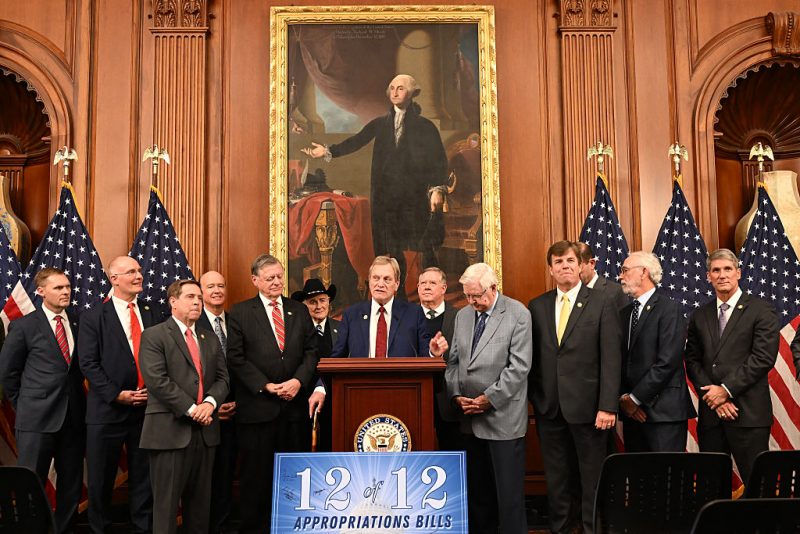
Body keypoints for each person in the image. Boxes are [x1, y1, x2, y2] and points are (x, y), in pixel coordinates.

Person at [302, 74, 449, 292]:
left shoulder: (426, 127)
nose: (395, 92)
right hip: (386, 200)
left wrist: (438, 189)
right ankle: (398, 300)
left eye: (401, 88)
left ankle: (431, 297)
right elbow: (356, 141)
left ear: (412, 93)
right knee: (393, 250)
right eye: (392, 88)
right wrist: (328, 150)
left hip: (414, 198)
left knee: (424, 247)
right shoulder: (381, 124)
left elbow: (439, 160)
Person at [528, 240, 622, 534]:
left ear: (581, 266)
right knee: (556, 478)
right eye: (558, 263)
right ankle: (561, 529)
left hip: (590, 409)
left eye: (570, 261)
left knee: (591, 477)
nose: (565, 266)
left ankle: (592, 529)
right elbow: (535, 359)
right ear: (551, 269)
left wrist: (608, 406)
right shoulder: (538, 305)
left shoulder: (602, 302)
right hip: (549, 408)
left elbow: (611, 358)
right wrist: (535, 400)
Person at [226, 254, 319, 534]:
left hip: (294, 410)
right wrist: (265, 385)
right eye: (270, 278)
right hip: (258, 409)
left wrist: (298, 382)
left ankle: (293, 526)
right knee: (256, 478)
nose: (277, 282)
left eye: (279, 276)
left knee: (295, 476)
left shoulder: (298, 310)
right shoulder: (240, 312)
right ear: (255, 281)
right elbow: (236, 357)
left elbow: (311, 351)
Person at [79, 256, 164, 534]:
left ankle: (142, 528)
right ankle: (99, 529)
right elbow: (88, 364)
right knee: (101, 480)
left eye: (139, 270)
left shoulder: (153, 312)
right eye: (131, 272)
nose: (138, 275)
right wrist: (117, 394)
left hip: (147, 410)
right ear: (114, 278)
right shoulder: (93, 316)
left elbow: (164, 356)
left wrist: (156, 389)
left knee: (144, 478)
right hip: (107, 411)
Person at [445, 263, 531, 533]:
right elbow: (453, 363)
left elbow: (519, 368)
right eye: (468, 296)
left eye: (478, 296)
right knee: (478, 496)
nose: (473, 302)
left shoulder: (518, 313)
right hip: (468, 418)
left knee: (508, 498)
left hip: (502, 418)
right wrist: (456, 395)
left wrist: (487, 399)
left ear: (494, 288)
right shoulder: (463, 316)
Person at [139, 280, 229, 534]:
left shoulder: (209, 338)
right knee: (166, 509)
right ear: (173, 302)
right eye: (191, 297)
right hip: (169, 432)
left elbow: (223, 378)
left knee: (200, 509)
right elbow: (157, 381)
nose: (197, 302)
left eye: (199, 298)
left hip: (206, 433)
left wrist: (210, 404)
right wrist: (193, 410)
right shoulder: (154, 335)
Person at [0, 268, 85, 533]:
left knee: (71, 482)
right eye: (58, 287)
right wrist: (24, 403)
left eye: (68, 287)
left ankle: (64, 529)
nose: (66, 292)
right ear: (40, 292)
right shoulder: (24, 325)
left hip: (72, 416)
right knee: (30, 480)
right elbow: (8, 372)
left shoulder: (78, 320)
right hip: (36, 417)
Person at [685, 248, 779, 484]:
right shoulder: (700, 314)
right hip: (712, 415)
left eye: (727, 269)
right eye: (716, 270)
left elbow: (762, 358)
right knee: (711, 485)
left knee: (757, 483)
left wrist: (725, 391)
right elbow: (692, 360)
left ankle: (759, 523)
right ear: (708, 276)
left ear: (738, 273)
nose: (722, 275)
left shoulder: (761, 310)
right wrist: (713, 396)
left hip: (748, 415)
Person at [618, 251, 695, 452]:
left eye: (625, 270)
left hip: (664, 413)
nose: (620, 276)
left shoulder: (670, 309)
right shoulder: (625, 314)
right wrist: (626, 400)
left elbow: (667, 361)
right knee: (638, 480)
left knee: (667, 480)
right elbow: (620, 361)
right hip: (632, 415)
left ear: (643, 272)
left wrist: (635, 399)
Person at [329, 256, 447, 358]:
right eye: (376, 278)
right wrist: (321, 383)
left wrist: (433, 353)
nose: (380, 284)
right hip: (361, 382)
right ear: (369, 281)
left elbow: (424, 355)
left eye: (387, 279)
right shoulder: (351, 315)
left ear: (396, 284)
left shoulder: (413, 313)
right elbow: (337, 357)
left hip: (402, 382)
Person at [196, 270, 237, 533]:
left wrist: (237, 402)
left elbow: (245, 366)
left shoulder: (236, 322)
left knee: (225, 477)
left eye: (221, 285)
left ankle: (221, 527)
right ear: (201, 292)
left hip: (234, 412)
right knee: (201, 480)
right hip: (201, 413)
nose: (217, 290)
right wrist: (211, 402)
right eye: (210, 286)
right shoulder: (191, 323)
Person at [291, 278, 339, 451]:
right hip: (302, 400)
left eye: (322, 300)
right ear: (304, 305)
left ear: (329, 302)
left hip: (335, 399)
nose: (318, 306)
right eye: (312, 302)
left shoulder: (340, 329)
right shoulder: (296, 332)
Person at [417, 267, 460, 451]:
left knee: (452, 453)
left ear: (443, 288)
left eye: (432, 283)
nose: (427, 287)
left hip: (450, 399)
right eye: (423, 283)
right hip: (416, 396)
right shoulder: (405, 317)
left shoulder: (459, 316)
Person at [577, 241, 630, 310]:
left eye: (579, 266)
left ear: (592, 264)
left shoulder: (615, 292)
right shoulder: (570, 292)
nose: (575, 272)